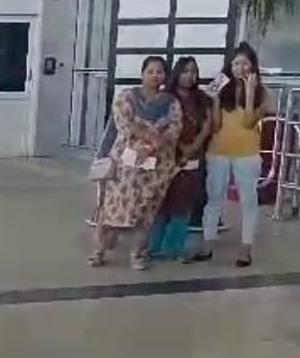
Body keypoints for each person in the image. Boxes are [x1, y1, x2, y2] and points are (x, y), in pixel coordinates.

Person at [89, 56, 181, 270]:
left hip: (155, 167)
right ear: (142, 74)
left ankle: (137, 254)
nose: (155, 75)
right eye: (150, 71)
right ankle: (99, 251)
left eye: (160, 71)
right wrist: (149, 137)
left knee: (145, 213)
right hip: (126, 165)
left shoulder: (170, 102)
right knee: (113, 208)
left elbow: (175, 128)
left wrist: (152, 146)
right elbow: (124, 125)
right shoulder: (126, 97)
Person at [190, 42, 273, 267]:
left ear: (253, 66)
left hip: (247, 154)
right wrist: (215, 99)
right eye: (236, 63)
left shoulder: (263, 94)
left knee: (248, 200)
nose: (240, 68)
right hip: (218, 151)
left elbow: (248, 122)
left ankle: (245, 249)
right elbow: (215, 126)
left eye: (245, 63)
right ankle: (208, 244)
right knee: (214, 198)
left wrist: (249, 92)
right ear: (230, 66)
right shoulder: (223, 89)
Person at [146, 57, 212, 260]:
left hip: (194, 155)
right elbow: (161, 126)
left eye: (193, 71)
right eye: (185, 71)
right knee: (163, 201)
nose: (189, 76)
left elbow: (208, 125)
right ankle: (153, 247)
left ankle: (174, 247)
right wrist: (181, 148)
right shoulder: (166, 98)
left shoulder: (201, 98)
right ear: (177, 73)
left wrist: (193, 147)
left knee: (184, 203)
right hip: (169, 155)